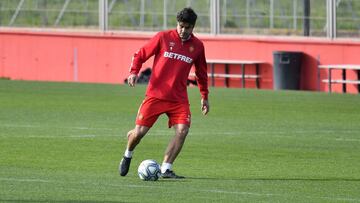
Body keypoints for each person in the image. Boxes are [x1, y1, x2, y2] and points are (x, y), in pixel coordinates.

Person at [119, 7, 209, 179]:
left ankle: (166, 168)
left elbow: (201, 73)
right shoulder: (163, 37)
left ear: (193, 27)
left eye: (187, 27)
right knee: (138, 133)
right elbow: (140, 54)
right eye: (181, 26)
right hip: (156, 95)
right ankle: (128, 154)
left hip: (178, 99)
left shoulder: (197, 46)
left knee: (183, 130)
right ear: (177, 24)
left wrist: (204, 96)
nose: (183, 30)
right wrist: (133, 72)